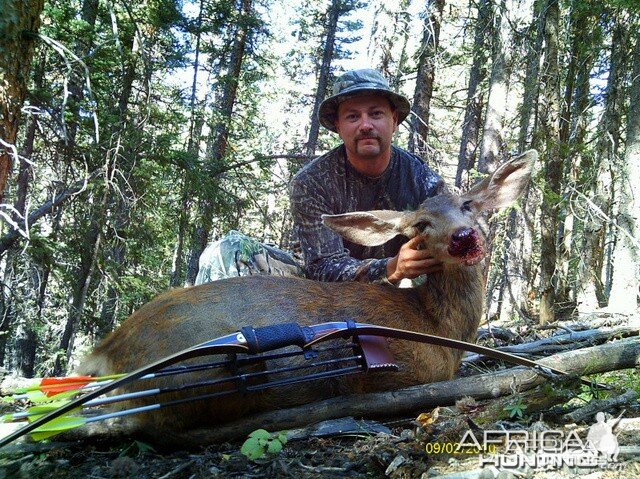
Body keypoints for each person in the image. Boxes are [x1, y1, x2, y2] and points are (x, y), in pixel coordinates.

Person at [290, 68, 444, 284]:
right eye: (352, 116)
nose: (365, 125)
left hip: (396, 290)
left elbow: (449, 232)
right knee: (236, 249)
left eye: (375, 114)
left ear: (394, 120)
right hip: (322, 294)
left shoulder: (421, 180)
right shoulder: (311, 183)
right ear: (338, 126)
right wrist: (390, 267)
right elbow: (322, 267)